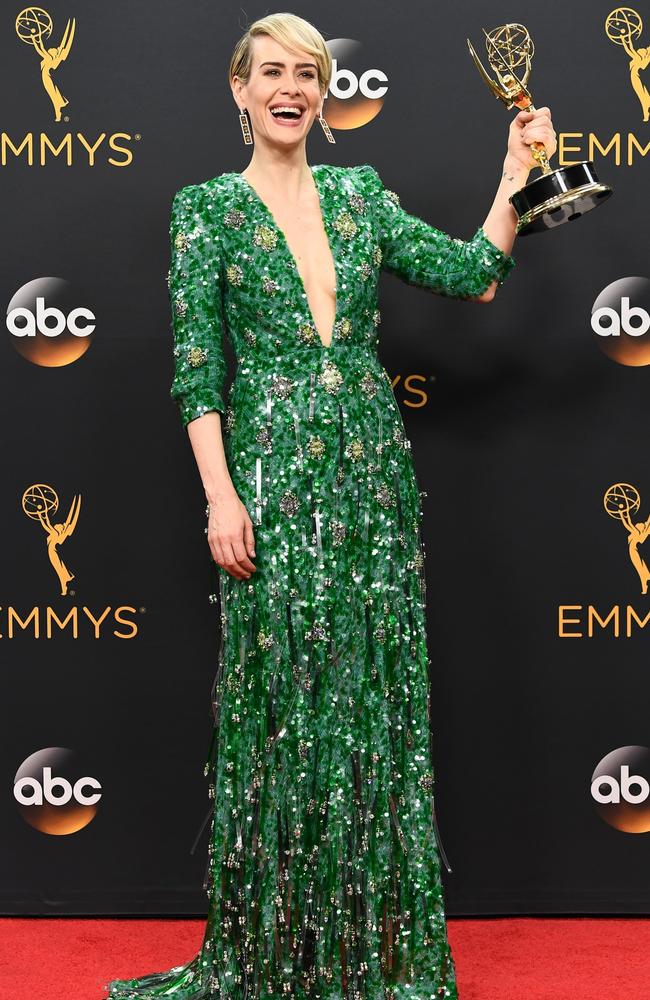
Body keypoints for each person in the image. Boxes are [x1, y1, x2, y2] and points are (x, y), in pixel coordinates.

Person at [105, 11, 555, 1000]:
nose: (290, 89)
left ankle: (373, 953)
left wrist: (515, 175)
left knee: (369, 705)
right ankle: (274, 947)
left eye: (307, 74)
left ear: (323, 94)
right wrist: (219, 494)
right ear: (238, 87)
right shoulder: (205, 211)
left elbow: (470, 274)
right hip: (266, 474)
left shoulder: (357, 197)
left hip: (367, 482)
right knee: (279, 715)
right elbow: (196, 371)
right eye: (271, 72)